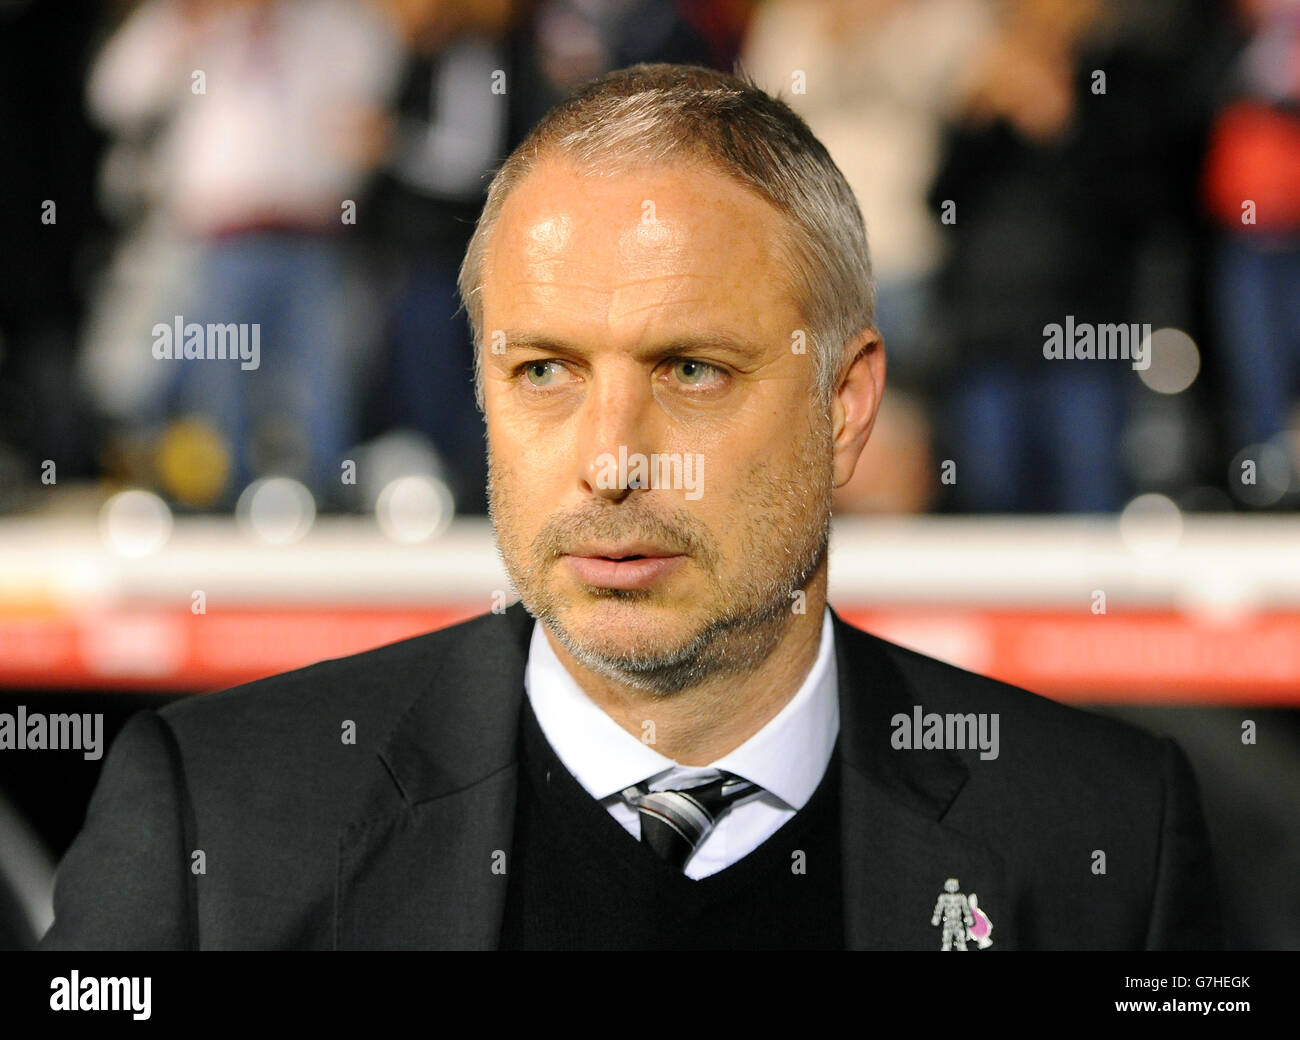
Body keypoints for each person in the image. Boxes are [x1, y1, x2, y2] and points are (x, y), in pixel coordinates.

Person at [40, 64, 1220, 951]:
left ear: (844, 405)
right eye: (544, 370)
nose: (610, 461)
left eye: (691, 371)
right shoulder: (216, 825)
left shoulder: (1102, 839)